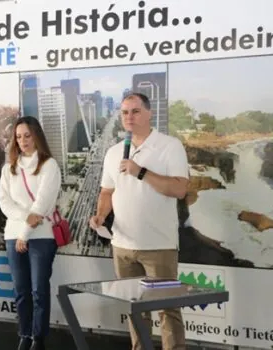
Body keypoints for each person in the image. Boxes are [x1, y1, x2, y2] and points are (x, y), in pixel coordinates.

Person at [89, 93, 189, 350]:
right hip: (122, 246)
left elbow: (179, 189)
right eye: (124, 113)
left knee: (168, 310)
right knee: (135, 310)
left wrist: (140, 171)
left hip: (159, 246)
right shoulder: (113, 153)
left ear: (149, 113)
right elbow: (107, 192)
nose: (129, 117)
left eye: (135, 111)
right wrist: (101, 215)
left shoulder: (170, 146)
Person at [0, 116, 61, 350]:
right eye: (18, 136)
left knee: (38, 289)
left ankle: (38, 337)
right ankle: (24, 334)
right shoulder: (9, 168)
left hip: (41, 237)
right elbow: (4, 202)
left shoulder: (49, 165)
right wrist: (25, 220)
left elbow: (42, 205)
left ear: (36, 136)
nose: (23, 140)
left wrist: (25, 234)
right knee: (21, 290)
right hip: (13, 235)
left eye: (27, 135)